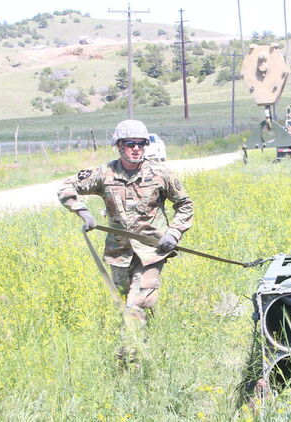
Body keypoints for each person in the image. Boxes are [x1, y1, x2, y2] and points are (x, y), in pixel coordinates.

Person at [57, 119, 193, 353]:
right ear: (119, 146)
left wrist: (174, 232)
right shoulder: (104, 173)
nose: (137, 149)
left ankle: (128, 356)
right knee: (126, 304)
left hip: (153, 252)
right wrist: (83, 211)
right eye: (130, 144)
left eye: (142, 144)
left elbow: (185, 204)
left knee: (136, 305)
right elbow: (66, 187)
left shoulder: (160, 173)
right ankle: (148, 341)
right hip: (119, 253)